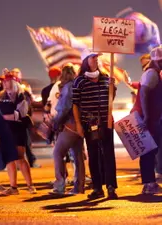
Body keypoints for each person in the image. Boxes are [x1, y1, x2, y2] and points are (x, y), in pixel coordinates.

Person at [72, 49, 118, 200]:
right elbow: (75, 105)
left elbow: (110, 99)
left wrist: (113, 87)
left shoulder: (106, 78)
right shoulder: (79, 81)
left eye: (97, 58)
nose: (96, 60)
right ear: (86, 61)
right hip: (89, 122)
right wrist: (78, 124)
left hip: (106, 121)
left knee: (109, 154)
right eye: (92, 58)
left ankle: (111, 187)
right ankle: (97, 187)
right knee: (93, 155)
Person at [0, 73, 37, 195]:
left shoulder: (21, 95)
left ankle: (30, 185)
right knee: (9, 159)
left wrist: (2, 117)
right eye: (4, 81)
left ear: (14, 82)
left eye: (7, 81)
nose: (4, 83)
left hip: (18, 129)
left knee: (20, 157)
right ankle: (13, 187)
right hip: (5, 129)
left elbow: (20, 115)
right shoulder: (1, 95)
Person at [49, 65, 85, 195]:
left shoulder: (67, 87)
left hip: (69, 125)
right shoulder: (78, 86)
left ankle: (59, 186)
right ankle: (79, 187)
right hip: (80, 126)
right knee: (78, 156)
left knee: (58, 153)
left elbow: (63, 108)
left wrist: (55, 123)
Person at [131, 46, 162, 194]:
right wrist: (147, 116)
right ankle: (149, 183)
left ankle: (149, 183)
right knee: (148, 151)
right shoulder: (152, 74)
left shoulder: (151, 73)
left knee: (150, 149)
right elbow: (144, 94)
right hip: (146, 118)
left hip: (147, 117)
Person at [11, 68, 40, 168]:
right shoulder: (10, 86)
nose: (16, 74)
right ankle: (17, 162)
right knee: (16, 142)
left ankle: (31, 160)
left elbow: (31, 98)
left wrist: (26, 90)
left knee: (26, 141)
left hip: (25, 117)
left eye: (17, 73)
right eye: (14, 73)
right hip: (14, 117)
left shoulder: (25, 85)